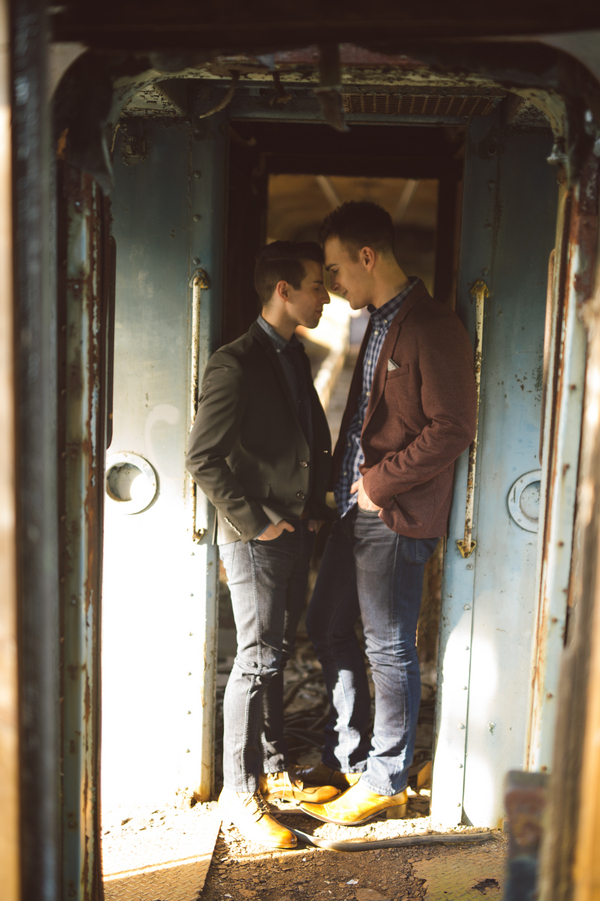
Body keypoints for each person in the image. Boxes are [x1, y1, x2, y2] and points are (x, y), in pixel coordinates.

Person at [298, 201, 477, 826]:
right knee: (327, 625)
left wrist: (379, 482)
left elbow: (453, 428)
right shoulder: (375, 323)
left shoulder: (433, 326)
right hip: (354, 507)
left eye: (336, 268)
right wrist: (337, 491)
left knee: (389, 646)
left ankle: (387, 776)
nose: (332, 283)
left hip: (394, 512)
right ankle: (348, 757)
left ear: (367, 257)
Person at [186, 241, 339, 850]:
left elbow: (303, 436)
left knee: (273, 652)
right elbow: (202, 456)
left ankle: (274, 770)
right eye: (314, 286)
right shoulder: (237, 361)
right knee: (256, 659)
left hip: (294, 529)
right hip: (259, 537)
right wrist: (256, 522)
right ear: (283, 290)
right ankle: (240, 796)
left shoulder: (293, 354)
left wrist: (314, 508)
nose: (324, 296)